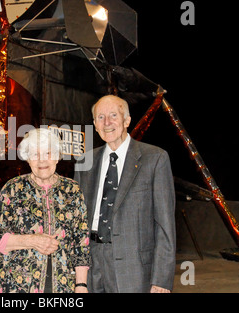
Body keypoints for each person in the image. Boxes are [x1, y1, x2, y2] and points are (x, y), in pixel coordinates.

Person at [74, 95, 176, 293]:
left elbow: (165, 226)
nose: (107, 122)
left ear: (127, 120)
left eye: (113, 115)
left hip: (135, 269)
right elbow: (78, 223)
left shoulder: (155, 159)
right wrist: (78, 277)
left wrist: (161, 279)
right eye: (100, 117)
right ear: (94, 124)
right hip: (91, 265)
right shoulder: (84, 162)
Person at [0, 128, 91, 293]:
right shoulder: (13, 189)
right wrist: (30, 240)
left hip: (62, 288)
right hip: (15, 287)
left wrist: (81, 285)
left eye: (48, 153)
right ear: (27, 159)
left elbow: (81, 242)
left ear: (57, 156)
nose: (42, 161)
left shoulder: (72, 190)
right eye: (35, 154)